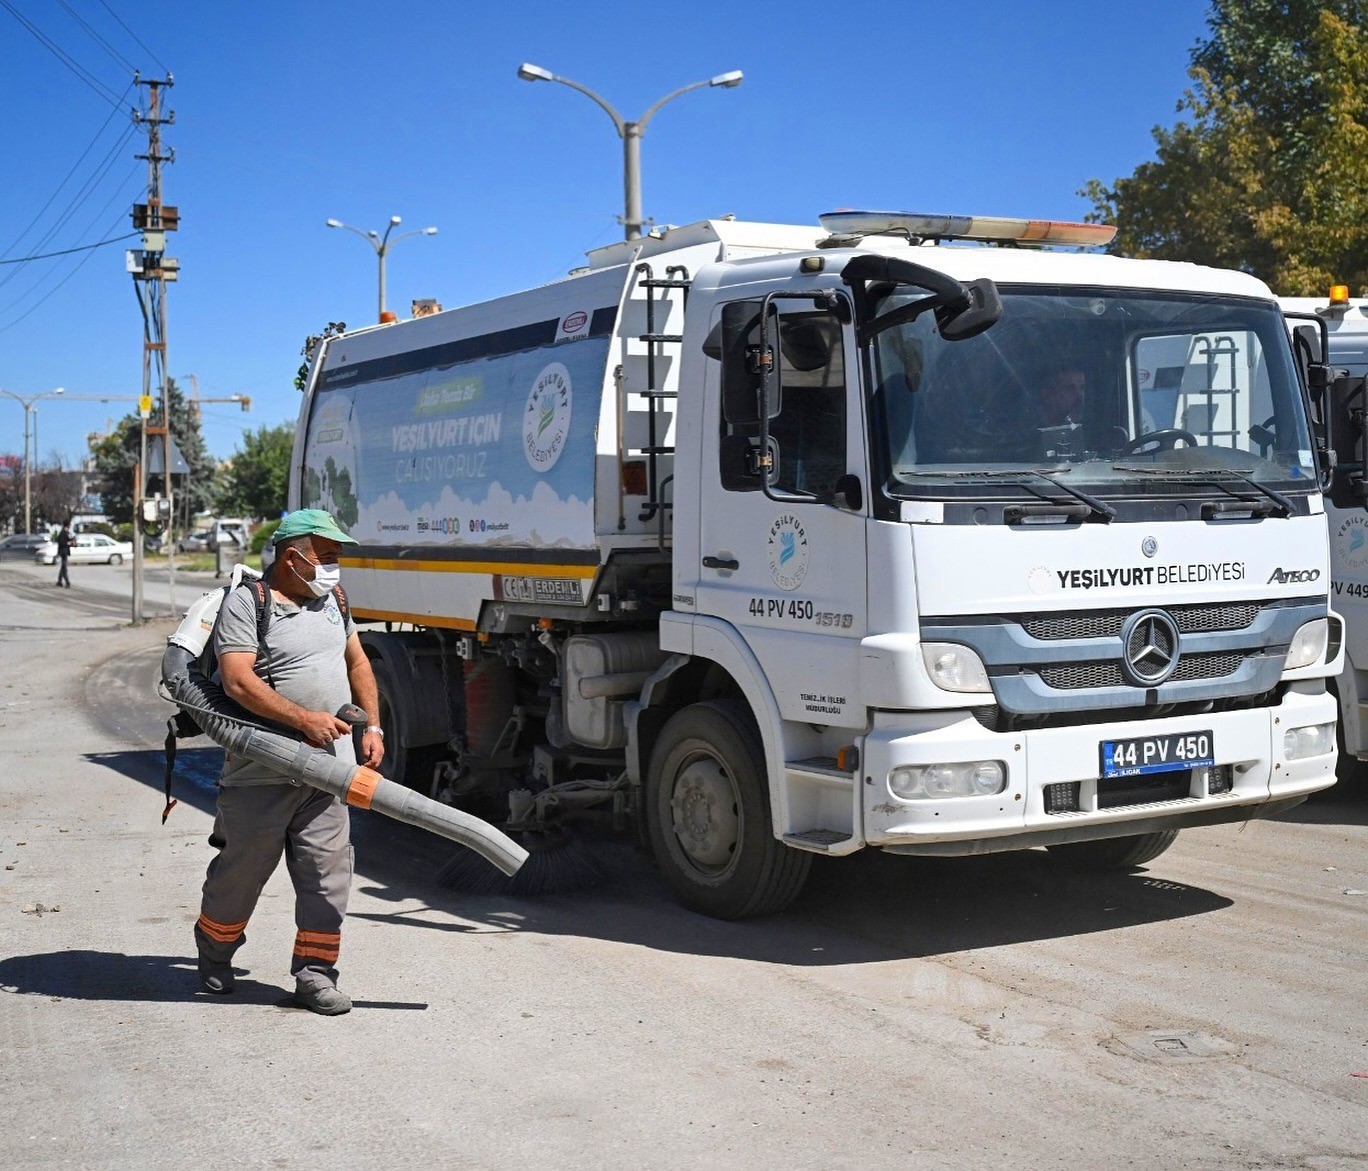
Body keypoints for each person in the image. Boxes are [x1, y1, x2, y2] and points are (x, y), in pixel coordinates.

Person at [193, 509, 383, 1016]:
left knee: (329, 876)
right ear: (292, 556)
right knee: (240, 877)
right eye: (326, 556)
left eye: (337, 556)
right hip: (261, 773)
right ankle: (214, 952)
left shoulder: (333, 600)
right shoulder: (247, 604)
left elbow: (357, 662)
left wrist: (375, 727)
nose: (335, 566)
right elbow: (237, 681)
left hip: (329, 773)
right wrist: (303, 719)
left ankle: (316, 976)